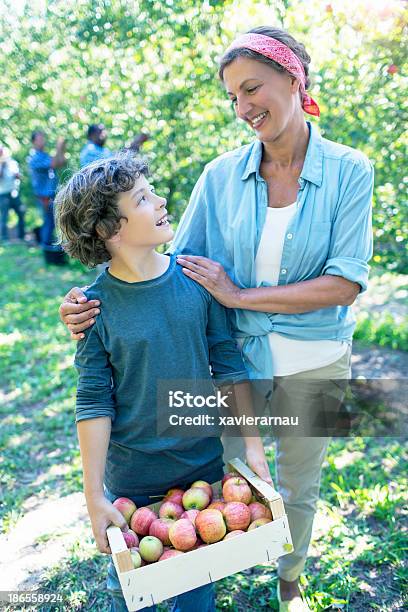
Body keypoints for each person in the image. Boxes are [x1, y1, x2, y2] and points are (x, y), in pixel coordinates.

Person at [58, 26, 374, 611]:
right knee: (220, 485)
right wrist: (88, 300)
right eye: (232, 97)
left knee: (297, 488)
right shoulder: (220, 175)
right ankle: (194, 581)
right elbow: (166, 265)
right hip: (235, 369)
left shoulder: (350, 170)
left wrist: (237, 295)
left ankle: (291, 579)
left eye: (252, 88)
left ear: (293, 78)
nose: (243, 107)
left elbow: (345, 283)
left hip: (316, 360)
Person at [54, 152, 272, 612]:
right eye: (143, 198)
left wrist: (252, 449)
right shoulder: (94, 307)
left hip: (202, 473)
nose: (160, 200)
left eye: (152, 191)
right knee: (132, 596)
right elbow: (94, 401)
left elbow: (228, 365)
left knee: (196, 592)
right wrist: (95, 496)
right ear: (108, 228)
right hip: (133, 481)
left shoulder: (196, 281)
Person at [28, 130, 66, 246]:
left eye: (43, 138)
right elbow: (54, 163)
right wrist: (59, 147)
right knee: (49, 222)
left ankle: (49, 245)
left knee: (53, 221)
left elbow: (61, 162)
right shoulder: (34, 157)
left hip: (51, 194)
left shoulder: (44, 155)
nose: (42, 141)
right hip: (44, 196)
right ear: (33, 142)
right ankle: (45, 246)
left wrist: (62, 149)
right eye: (39, 139)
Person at [80, 123, 149, 167]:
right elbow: (113, 163)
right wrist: (134, 144)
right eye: (100, 132)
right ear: (92, 135)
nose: (104, 135)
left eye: (104, 132)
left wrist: (135, 144)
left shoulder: (102, 149)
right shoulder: (90, 150)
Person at [0, 144, 25, 242]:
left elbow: (18, 175)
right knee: (4, 215)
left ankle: (21, 236)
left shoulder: (13, 163)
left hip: (14, 192)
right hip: (3, 193)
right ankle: (4, 237)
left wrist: (17, 176)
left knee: (21, 212)